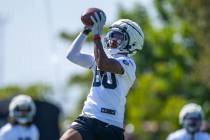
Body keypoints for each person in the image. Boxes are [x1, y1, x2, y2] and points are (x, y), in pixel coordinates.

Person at [60, 11, 144, 140]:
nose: (112, 39)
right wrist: (86, 30)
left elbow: (103, 64)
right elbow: (72, 55)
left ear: (131, 42)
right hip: (89, 116)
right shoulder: (100, 58)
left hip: (110, 124)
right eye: (112, 34)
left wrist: (96, 35)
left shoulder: (128, 64)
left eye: (118, 36)